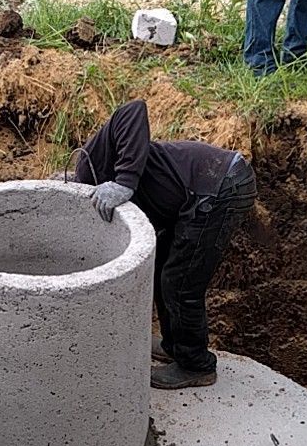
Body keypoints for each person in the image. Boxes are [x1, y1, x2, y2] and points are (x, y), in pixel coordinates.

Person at [73, 99, 257, 390]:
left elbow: (134, 110)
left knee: (180, 282)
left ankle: (196, 364)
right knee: (162, 268)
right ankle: (175, 346)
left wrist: (125, 182)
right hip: (196, 193)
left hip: (219, 185)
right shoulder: (89, 194)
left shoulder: (90, 164)